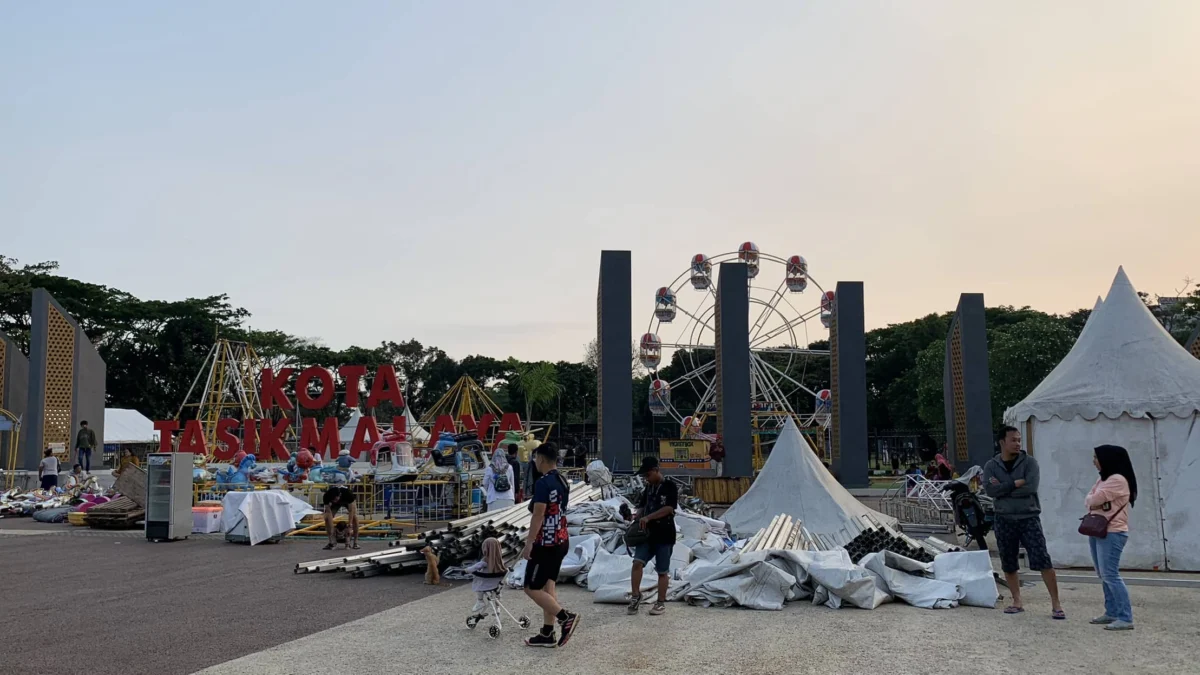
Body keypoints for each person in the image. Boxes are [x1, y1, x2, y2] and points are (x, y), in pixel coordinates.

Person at [983, 425, 1064, 620]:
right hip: (1004, 518)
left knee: (1042, 558)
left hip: (1028, 517)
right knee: (1008, 562)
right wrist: (1013, 483)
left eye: (1019, 440)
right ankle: (1017, 600)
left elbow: (1030, 487)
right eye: (1013, 440)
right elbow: (990, 491)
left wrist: (1004, 488)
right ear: (1002, 442)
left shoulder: (1030, 463)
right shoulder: (991, 466)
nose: (1018, 443)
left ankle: (1056, 603)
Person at [521, 443, 580, 648]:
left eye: (536, 458)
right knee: (548, 584)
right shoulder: (562, 480)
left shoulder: (543, 483)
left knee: (530, 587)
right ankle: (547, 633)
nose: (535, 462)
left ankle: (565, 618)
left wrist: (529, 543)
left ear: (542, 459)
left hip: (546, 543)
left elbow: (538, 514)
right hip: (561, 539)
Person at [1086, 444, 1137, 631]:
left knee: (1110, 574)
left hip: (1113, 532)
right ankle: (1112, 611)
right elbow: (1089, 499)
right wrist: (1093, 499)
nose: (1094, 462)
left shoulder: (1117, 480)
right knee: (1103, 574)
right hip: (1099, 530)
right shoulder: (1103, 479)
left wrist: (1093, 499)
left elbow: (1093, 500)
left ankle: (1125, 616)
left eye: (1096, 457)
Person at [627, 456, 678, 616]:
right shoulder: (648, 489)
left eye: (648, 475)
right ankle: (635, 596)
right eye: (644, 477)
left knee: (662, 571)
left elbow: (669, 508)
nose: (646, 479)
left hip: (664, 533)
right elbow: (642, 507)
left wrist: (649, 517)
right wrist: (636, 517)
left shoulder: (669, 486)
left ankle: (660, 602)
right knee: (637, 563)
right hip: (646, 534)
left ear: (656, 470)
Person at [466, 537, 508, 623]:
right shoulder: (500, 561)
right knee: (496, 593)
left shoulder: (485, 561)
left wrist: (465, 570)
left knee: (478, 583)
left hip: (486, 585)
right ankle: (497, 607)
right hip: (496, 586)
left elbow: (473, 568)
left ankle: (480, 601)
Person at [322, 485, 359, 550]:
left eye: (336, 499)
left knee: (355, 518)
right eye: (333, 500)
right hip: (335, 505)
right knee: (327, 519)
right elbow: (329, 512)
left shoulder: (348, 494)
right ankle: (331, 542)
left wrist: (350, 526)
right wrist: (332, 529)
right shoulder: (326, 496)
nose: (335, 501)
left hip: (347, 501)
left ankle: (355, 542)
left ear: (339, 495)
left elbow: (351, 511)